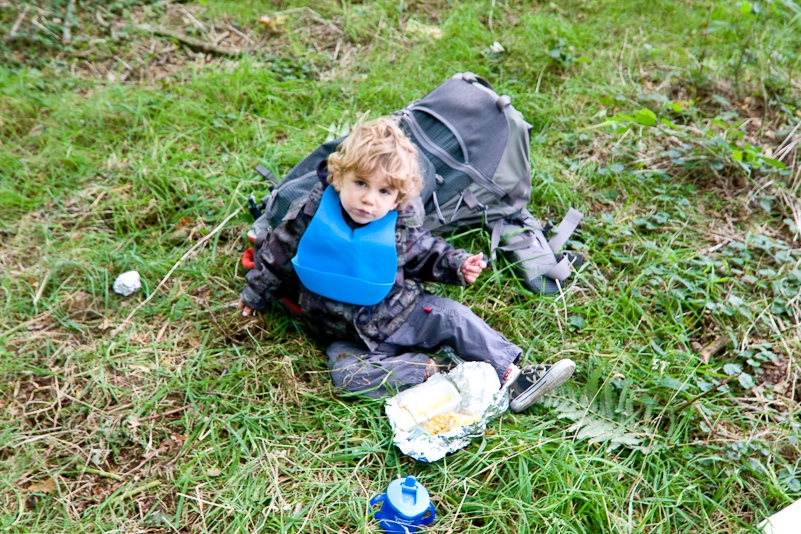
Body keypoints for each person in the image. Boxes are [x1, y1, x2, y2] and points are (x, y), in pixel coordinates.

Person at [238, 117, 575, 412]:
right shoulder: (311, 216)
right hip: (342, 332)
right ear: (339, 176)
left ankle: (513, 375)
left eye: (384, 192)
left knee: (452, 316)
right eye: (360, 184)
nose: (370, 199)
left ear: (398, 198)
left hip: (404, 313)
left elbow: (427, 252)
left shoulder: (398, 226)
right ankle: (438, 371)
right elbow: (277, 254)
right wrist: (255, 295)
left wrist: (458, 265)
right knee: (346, 375)